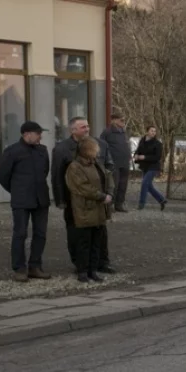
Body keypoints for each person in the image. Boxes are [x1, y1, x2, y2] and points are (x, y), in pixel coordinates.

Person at [52, 117, 117, 273]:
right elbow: (57, 175)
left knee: (100, 231)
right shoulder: (62, 149)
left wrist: (108, 191)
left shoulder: (100, 144)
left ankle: (101, 262)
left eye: (87, 126)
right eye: (82, 127)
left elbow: (109, 167)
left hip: (99, 197)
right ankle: (80, 264)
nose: (87, 129)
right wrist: (60, 199)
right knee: (76, 233)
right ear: (72, 130)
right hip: (75, 199)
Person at [0, 121, 52, 282]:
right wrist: (17, 190)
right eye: (38, 133)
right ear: (26, 134)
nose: (40, 136)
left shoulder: (42, 151)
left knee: (40, 233)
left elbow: (44, 171)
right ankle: (19, 268)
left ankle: (35, 266)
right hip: (21, 200)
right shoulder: (12, 151)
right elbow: (2, 176)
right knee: (20, 234)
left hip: (41, 198)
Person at [65, 137, 114, 283]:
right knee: (83, 242)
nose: (98, 152)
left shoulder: (95, 164)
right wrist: (101, 196)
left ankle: (93, 270)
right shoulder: (75, 167)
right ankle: (82, 271)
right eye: (95, 149)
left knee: (96, 242)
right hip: (85, 209)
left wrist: (110, 192)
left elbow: (108, 176)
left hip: (98, 209)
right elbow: (82, 187)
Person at [99, 113, 132, 212]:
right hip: (114, 163)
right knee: (114, 184)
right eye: (121, 120)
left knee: (123, 185)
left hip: (124, 162)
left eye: (123, 120)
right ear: (114, 120)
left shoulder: (123, 132)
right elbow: (102, 147)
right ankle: (110, 205)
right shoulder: (107, 132)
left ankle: (119, 204)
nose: (123, 122)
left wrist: (129, 154)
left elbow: (126, 145)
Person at [134, 126, 166, 210]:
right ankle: (161, 199)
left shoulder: (157, 144)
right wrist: (136, 155)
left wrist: (145, 157)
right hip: (145, 166)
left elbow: (157, 157)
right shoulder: (142, 140)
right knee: (149, 186)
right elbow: (138, 150)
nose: (153, 133)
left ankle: (141, 204)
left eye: (155, 131)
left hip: (153, 167)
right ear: (147, 131)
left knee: (144, 183)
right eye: (151, 131)